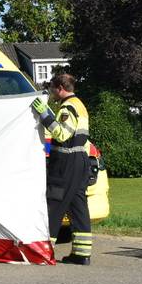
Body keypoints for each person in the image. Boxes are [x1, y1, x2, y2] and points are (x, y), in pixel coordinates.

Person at [32, 73, 93, 265]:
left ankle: (43, 252)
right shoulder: (80, 105)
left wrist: (45, 115)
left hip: (65, 163)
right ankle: (82, 254)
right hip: (80, 160)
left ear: (60, 88)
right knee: (78, 207)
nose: (51, 92)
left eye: (52, 88)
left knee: (54, 204)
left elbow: (62, 134)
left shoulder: (67, 107)